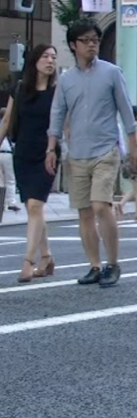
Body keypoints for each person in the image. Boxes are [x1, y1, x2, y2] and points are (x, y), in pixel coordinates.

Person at [46, 18, 137, 288]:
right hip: (77, 153)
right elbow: (57, 114)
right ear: (73, 45)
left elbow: (126, 110)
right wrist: (51, 147)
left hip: (105, 150)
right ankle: (94, 266)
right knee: (84, 212)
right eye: (86, 40)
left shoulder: (111, 73)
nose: (92, 45)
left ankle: (113, 264)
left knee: (101, 205)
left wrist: (134, 145)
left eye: (95, 40)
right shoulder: (66, 80)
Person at [0, 45, 58, 282]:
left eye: (53, 57)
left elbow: (65, 124)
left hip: (48, 154)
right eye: (45, 56)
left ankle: (28, 262)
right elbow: (7, 121)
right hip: (23, 153)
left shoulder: (58, 92)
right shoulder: (20, 88)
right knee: (34, 207)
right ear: (34, 61)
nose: (50, 61)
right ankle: (46, 257)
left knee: (35, 205)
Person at [0, 107, 18, 217]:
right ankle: (11, 202)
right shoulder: (8, 126)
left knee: (1, 180)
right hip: (7, 153)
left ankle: (1, 203)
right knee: (10, 179)